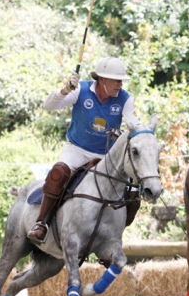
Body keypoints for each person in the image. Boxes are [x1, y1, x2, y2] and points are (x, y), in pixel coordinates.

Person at [27, 57, 142, 243]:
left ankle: (113, 239)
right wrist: (65, 90)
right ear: (102, 79)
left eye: (122, 81)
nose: (120, 84)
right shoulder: (80, 90)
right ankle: (41, 224)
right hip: (77, 150)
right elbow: (49, 106)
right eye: (117, 80)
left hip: (107, 157)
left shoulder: (125, 99)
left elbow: (133, 122)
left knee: (133, 192)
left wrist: (134, 129)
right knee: (58, 172)